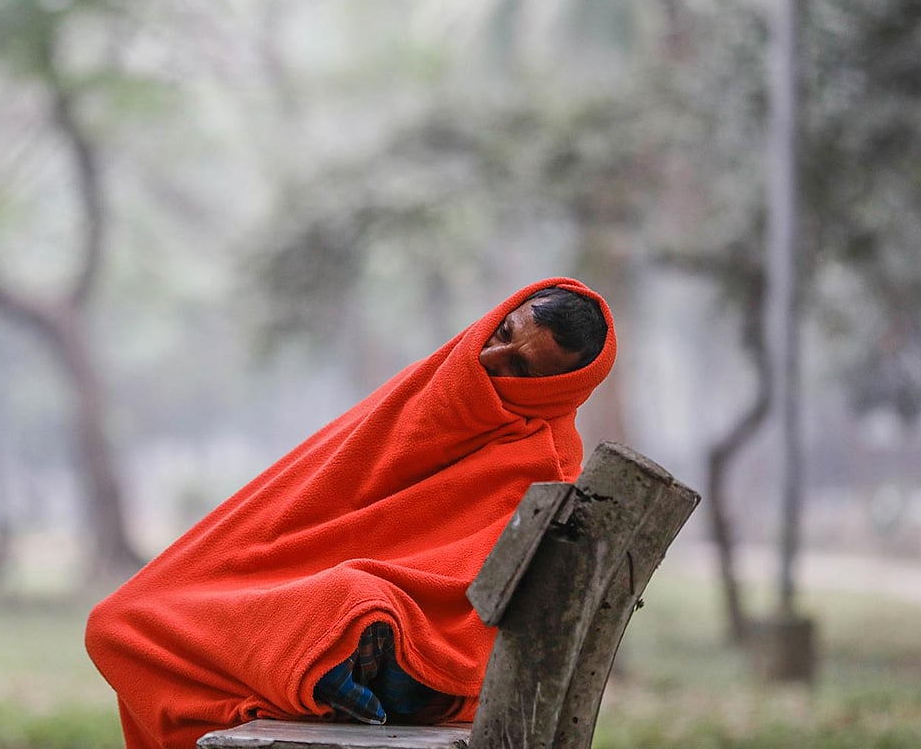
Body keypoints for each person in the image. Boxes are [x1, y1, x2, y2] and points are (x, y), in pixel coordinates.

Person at [85, 277, 615, 749]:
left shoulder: (543, 458)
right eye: (503, 332)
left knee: (352, 602)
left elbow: (472, 591)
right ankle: (292, 683)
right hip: (298, 581)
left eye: (521, 368)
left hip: (393, 630)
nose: (491, 358)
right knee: (120, 622)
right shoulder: (431, 383)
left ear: (556, 391)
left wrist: (374, 597)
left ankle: (301, 684)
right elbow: (306, 494)